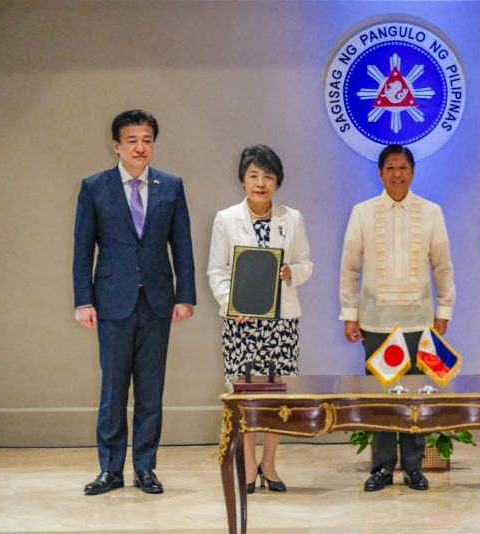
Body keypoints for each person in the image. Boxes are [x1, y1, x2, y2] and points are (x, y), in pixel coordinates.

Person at [73, 110, 196, 495]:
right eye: (132, 140)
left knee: (150, 389)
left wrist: (185, 295)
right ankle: (110, 469)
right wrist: (83, 301)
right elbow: (82, 250)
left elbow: (183, 245)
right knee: (112, 390)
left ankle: (145, 467)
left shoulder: (171, 186)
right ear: (116, 145)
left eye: (147, 140)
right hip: (111, 302)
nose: (140, 147)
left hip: (158, 301)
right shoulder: (95, 187)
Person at [339, 144, 455, 492]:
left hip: (419, 322)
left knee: (413, 399)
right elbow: (349, 268)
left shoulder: (431, 212)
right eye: (390, 168)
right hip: (376, 322)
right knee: (383, 398)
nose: (397, 174)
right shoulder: (362, 212)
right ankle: (382, 468)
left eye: (403, 167)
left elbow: (443, 265)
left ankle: (415, 467)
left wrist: (443, 310)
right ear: (380, 173)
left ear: (413, 172)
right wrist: (350, 314)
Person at [208, 145, 312, 493]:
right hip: (242, 325)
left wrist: (290, 272)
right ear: (242, 180)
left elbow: (306, 265)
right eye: (253, 175)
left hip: (281, 323)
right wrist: (230, 303)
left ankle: (270, 462)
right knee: (246, 397)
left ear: (277, 181)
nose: (260, 182)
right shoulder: (225, 219)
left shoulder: (292, 218)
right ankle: (249, 464)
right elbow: (217, 271)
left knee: (277, 396)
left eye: (268, 176)